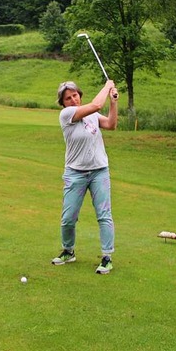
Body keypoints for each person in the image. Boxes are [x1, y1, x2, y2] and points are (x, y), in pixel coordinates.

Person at [51, 80, 118, 274]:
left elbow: (111, 125)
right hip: (75, 172)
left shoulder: (93, 116)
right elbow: (97, 104)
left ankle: (107, 257)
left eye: (75, 95)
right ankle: (68, 251)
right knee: (68, 218)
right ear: (63, 103)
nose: (73, 100)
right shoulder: (66, 115)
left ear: (80, 95)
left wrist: (113, 103)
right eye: (68, 98)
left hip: (99, 171)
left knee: (104, 215)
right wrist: (107, 86)